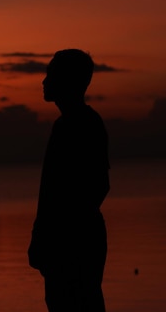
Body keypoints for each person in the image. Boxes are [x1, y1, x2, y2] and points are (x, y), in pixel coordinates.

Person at [28, 49, 110, 312]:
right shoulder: (69, 124)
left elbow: (96, 185)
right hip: (68, 239)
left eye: (50, 75)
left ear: (66, 81)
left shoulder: (81, 124)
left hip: (73, 241)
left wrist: (59, 234)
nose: (44, 81)